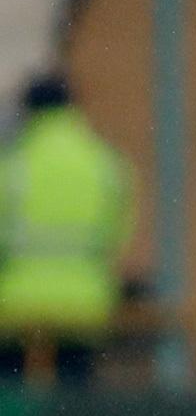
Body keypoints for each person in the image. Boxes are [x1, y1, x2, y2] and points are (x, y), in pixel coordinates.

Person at [0, 74, 135, 385]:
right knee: (74, 383)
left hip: (16, 304)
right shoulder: (105, 164)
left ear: (28, 110)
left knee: (10, 386)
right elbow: (117, 237)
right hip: (85, 304)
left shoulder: (12, 166)